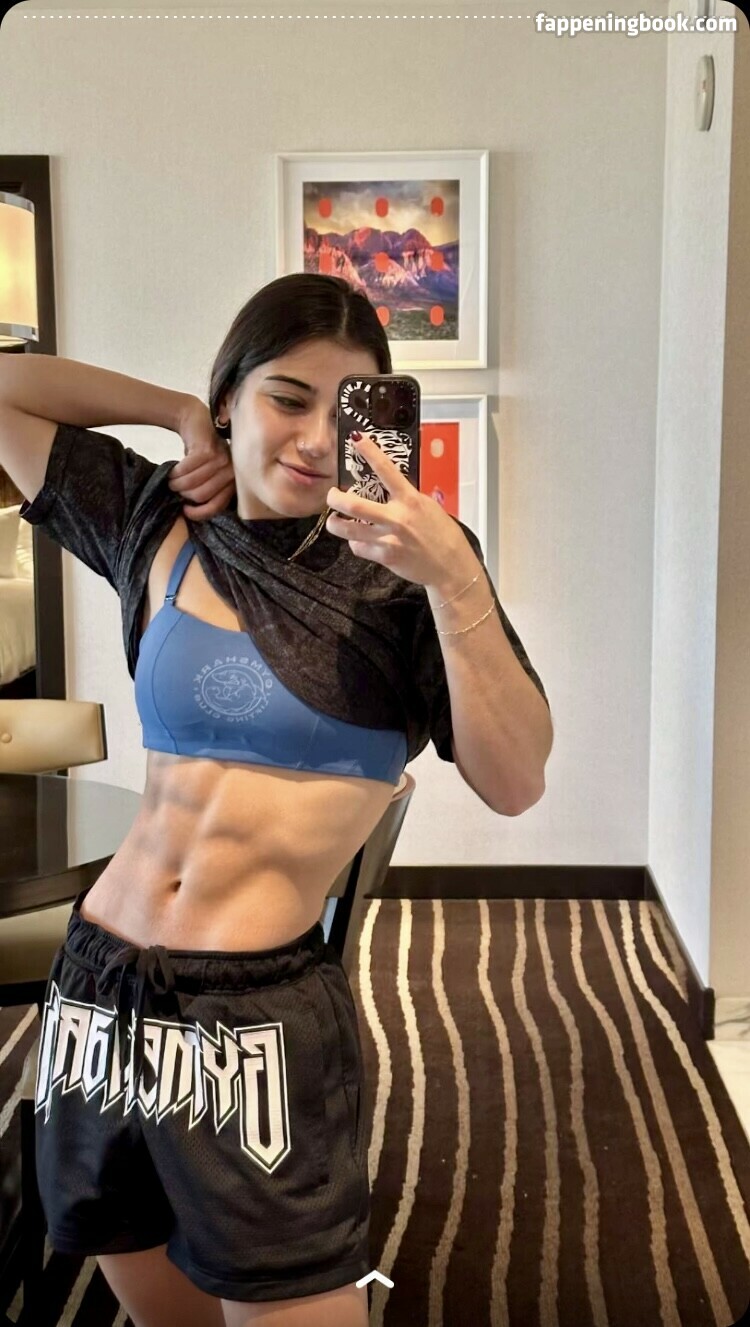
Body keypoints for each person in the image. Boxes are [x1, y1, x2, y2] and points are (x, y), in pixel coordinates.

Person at [0, 273, 553, 1327]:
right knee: (150, 1294)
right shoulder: (160, 520)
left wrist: (455, 581)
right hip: (99, 986)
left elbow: (516, 779)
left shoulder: (402, 576)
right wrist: (169, 413)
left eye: (347, 412)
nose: (313, 439)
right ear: (231, 400)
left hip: (254, 1014)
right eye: (287, 398)